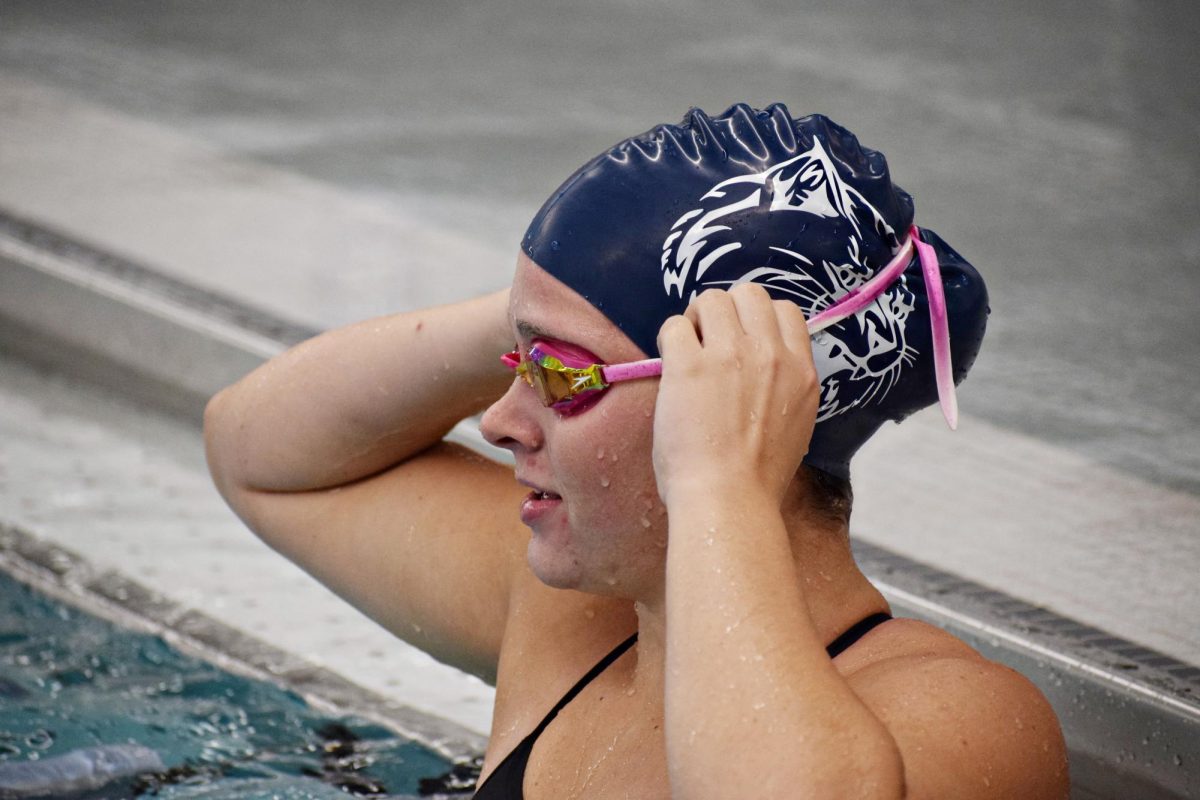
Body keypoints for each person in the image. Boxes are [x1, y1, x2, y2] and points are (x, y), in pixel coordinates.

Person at [204, 103, 1069, 799]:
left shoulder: (969, 718)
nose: (495, 421)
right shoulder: (580, 623)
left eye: (564, 378)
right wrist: (541, 308)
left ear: (729, 400)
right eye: (520, 362)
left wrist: (720, 485)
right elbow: (262, 457)